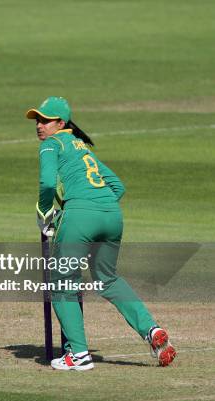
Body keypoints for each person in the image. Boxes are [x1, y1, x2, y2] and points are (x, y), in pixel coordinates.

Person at [27, 96, 176, 370]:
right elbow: (117, 186)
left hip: (81, 216)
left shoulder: (51, 144)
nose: (39, 125)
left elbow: (48, 183)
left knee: (61, 283)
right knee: (107, 278)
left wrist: (45, 213)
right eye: (37, 119)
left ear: (60, 123)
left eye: (45, 120)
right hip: (111, 215)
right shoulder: (82, 147)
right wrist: (95, 208)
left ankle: (79, 355)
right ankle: (151, 330)